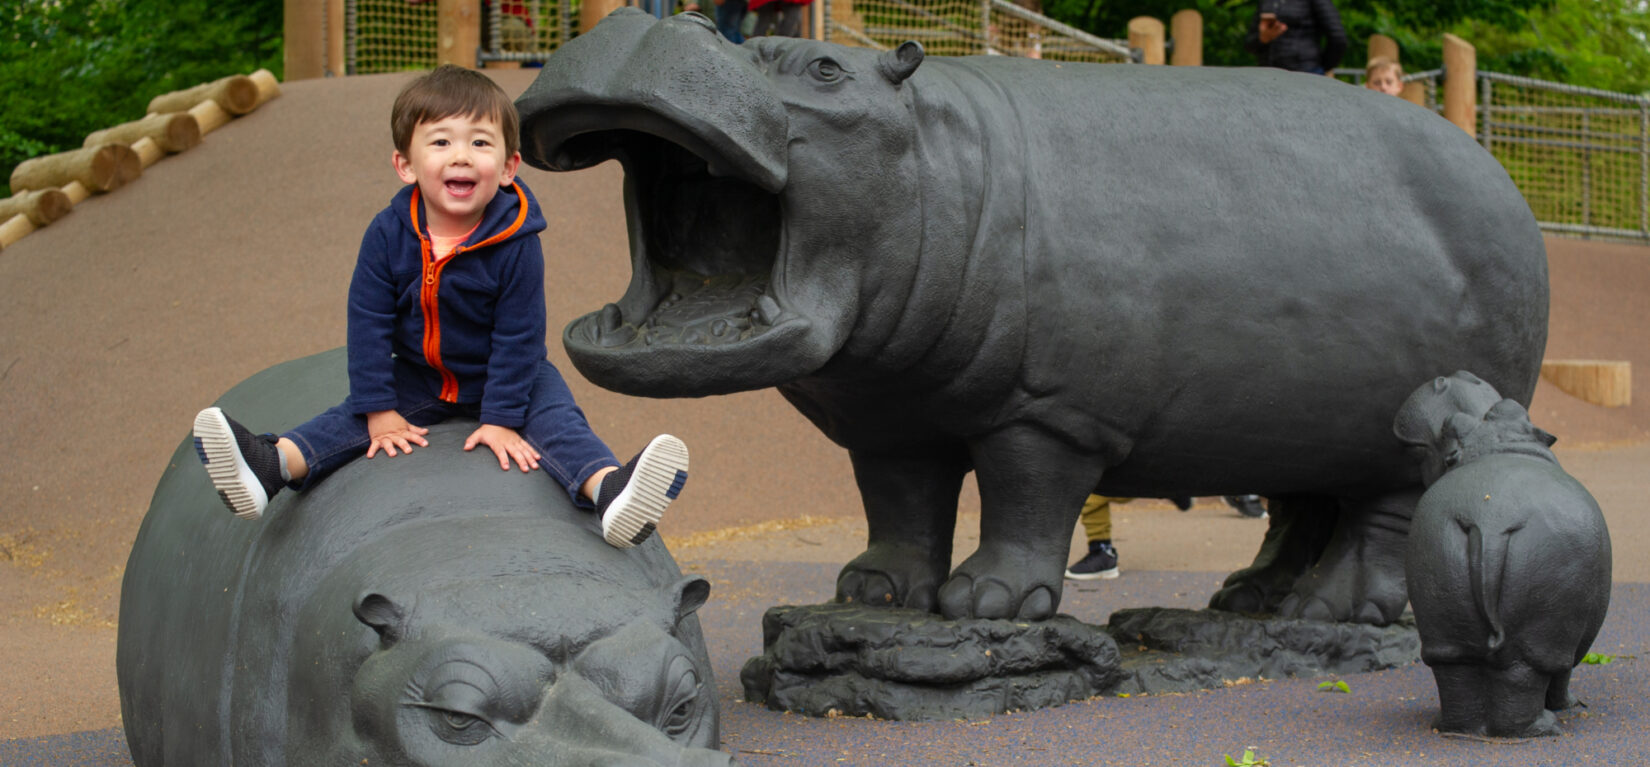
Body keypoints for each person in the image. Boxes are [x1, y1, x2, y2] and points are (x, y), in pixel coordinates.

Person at [190, 65, 689, 550]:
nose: (462, 156)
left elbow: (519, 334)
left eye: (480, 142)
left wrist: (500, 417)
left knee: (558, 420)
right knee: (349, 417)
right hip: (421, 374)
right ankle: (273, 464)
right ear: (405, 164)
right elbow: (368, 322)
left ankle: (608, 489)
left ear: (509, 166)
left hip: (510, 374)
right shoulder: (388, 234)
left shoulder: (517, 243)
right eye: (441, 141)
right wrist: (380, 408)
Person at [1245, 0, 1346, 75]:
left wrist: (1321, 67)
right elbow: (1249, 44)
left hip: (1306, 74)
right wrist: (1263, 38)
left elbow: (1337, 37)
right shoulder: (1267, 2)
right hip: (1268, 75)